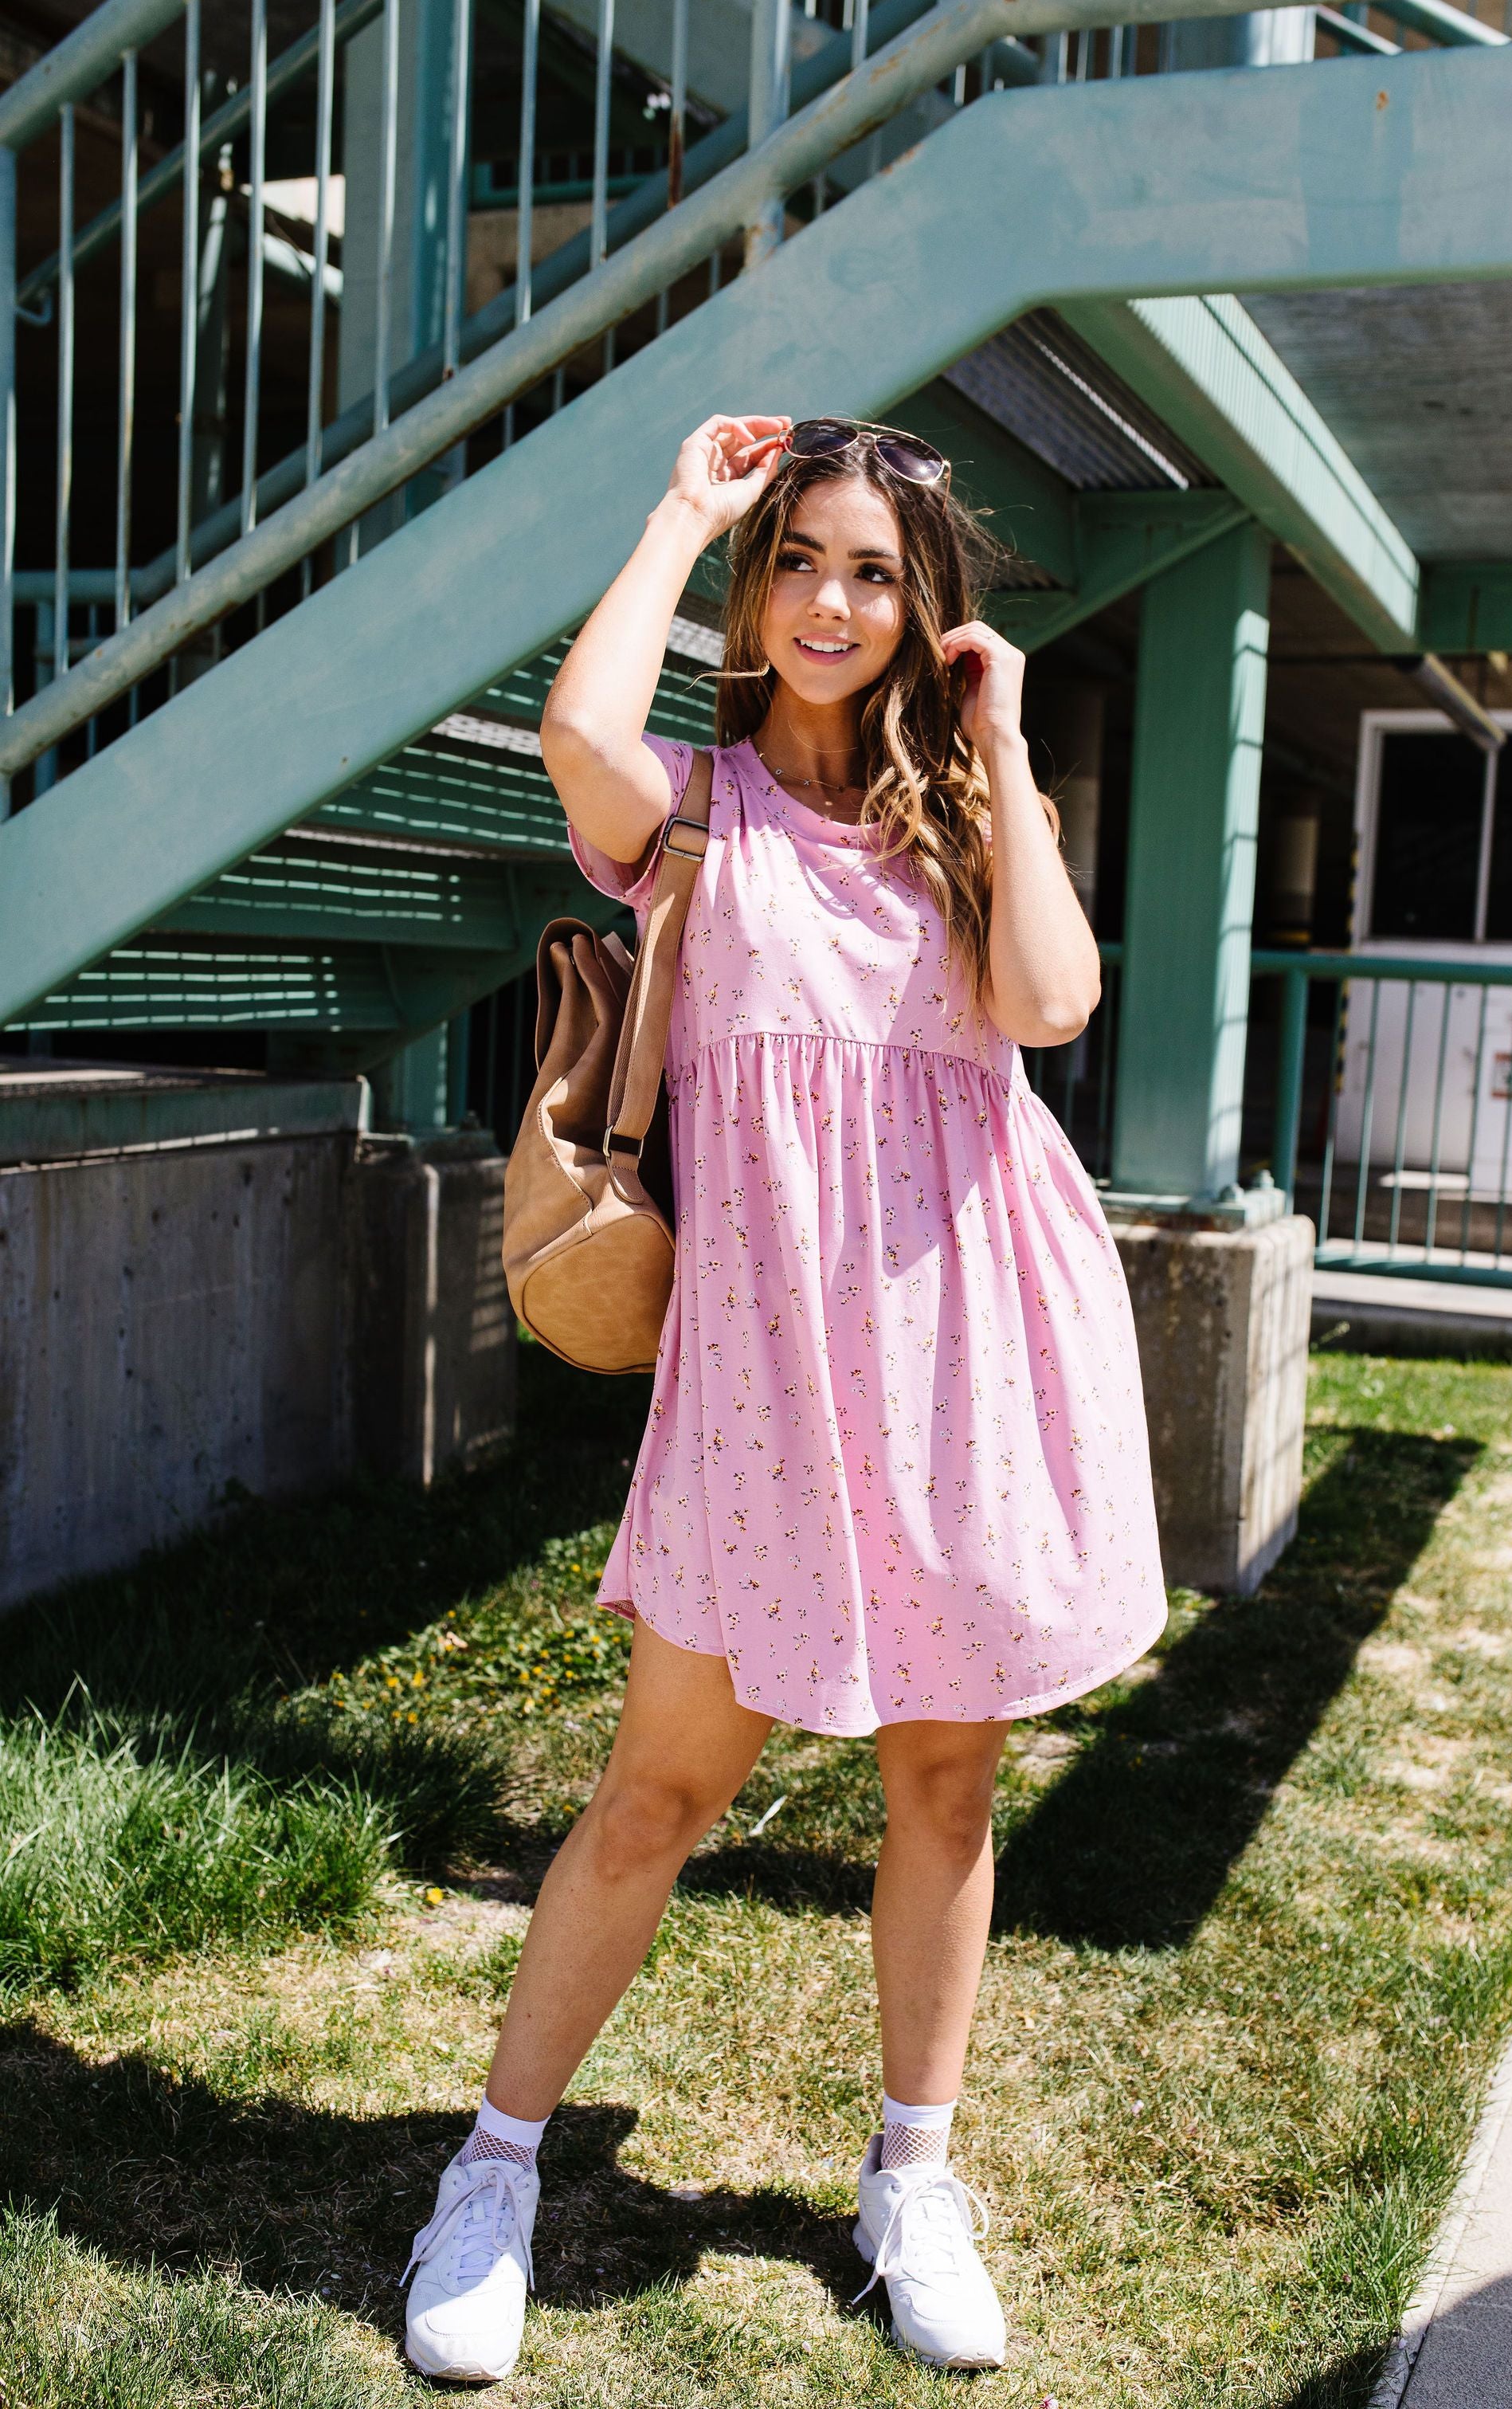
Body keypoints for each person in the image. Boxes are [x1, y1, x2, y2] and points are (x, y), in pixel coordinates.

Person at [402, 413, 1166, 2383]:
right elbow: (580, 732)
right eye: (803, 562)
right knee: (657, 1791)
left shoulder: (963, 813)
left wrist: (999, 742)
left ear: (926, 614)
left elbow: (1054, 1007)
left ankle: (914, 2177)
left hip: (970, 1351)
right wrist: (680, 515)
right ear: (758, 591)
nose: (834, 601)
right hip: (766, 1377)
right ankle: (490, 2173)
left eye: (877, 575)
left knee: (945, 1778)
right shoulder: (698, 810)